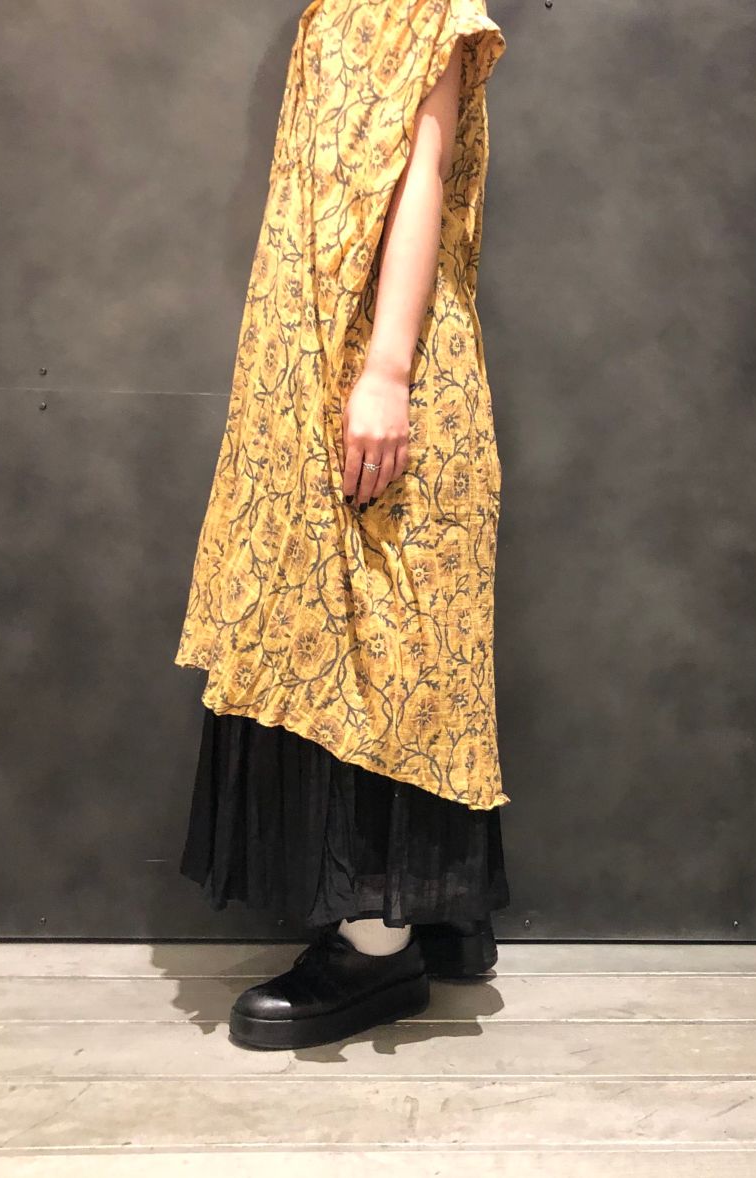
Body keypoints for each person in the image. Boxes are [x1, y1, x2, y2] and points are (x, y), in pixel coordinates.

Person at [174, 0, 510, 1050]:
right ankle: (434, 912)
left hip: (370, 375)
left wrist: (386, 371)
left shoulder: (412, 4)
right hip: (322, 368)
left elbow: (421, 170)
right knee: (353, 640)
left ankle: (375, 949)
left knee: (374, 649)